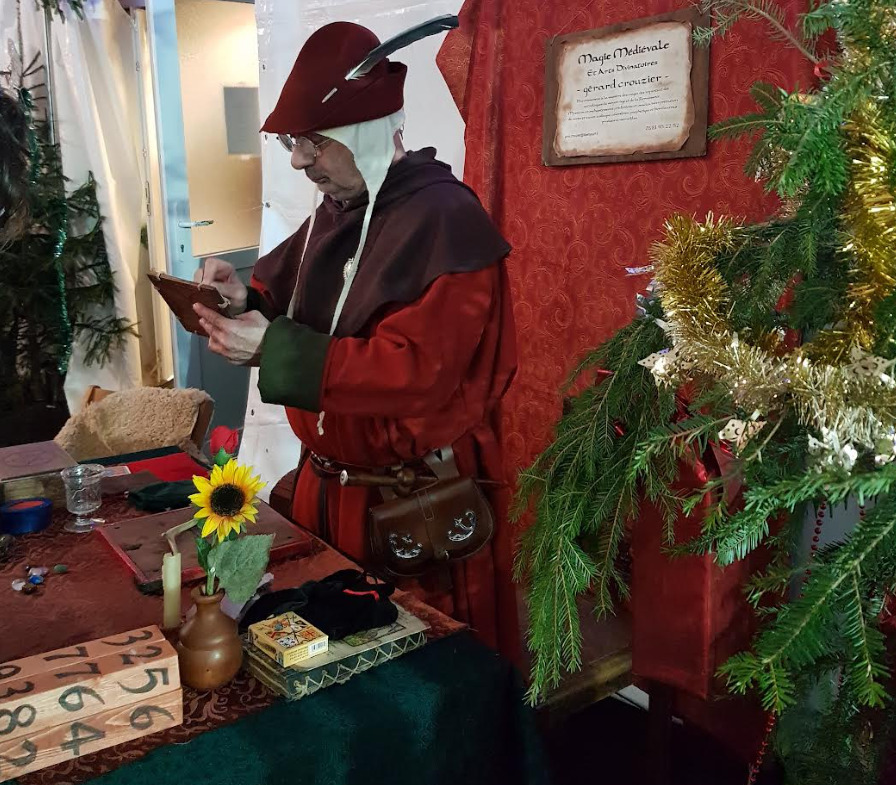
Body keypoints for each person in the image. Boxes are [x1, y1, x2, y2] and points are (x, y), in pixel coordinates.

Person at [194, 21, 520, 664]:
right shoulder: (341, 210)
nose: (298, 161)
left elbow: (415, 372)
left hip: (410, 503)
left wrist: (272, 349)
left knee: (423, 677)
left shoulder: (446, 220)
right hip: (329, 495)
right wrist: (242, 301)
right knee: (328, 670)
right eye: (292, 142)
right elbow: (296, 302)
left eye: (312, 142)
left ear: (367, 131)